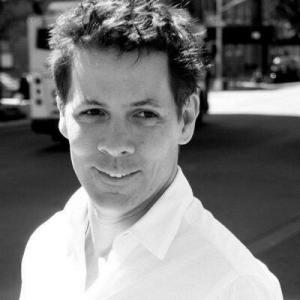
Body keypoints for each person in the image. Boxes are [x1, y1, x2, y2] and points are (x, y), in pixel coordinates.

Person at [19, 1, 283, 299]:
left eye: (145, 114)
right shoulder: (45, 245)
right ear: (62, 114)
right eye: (93, 112)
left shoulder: (233, 285)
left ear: (185, 118)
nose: (116, 145)